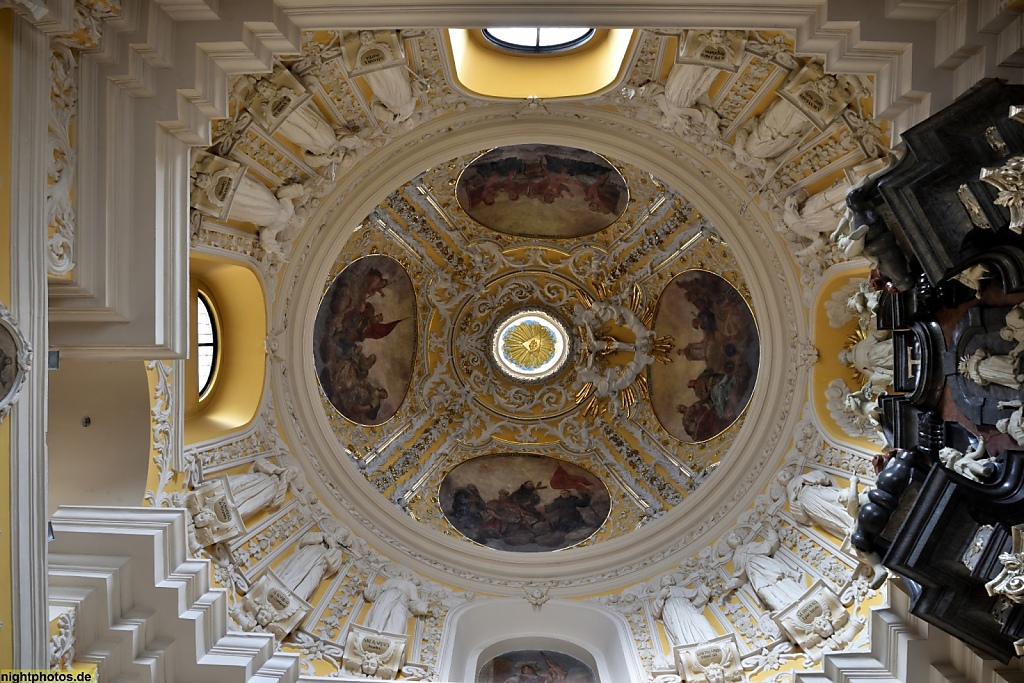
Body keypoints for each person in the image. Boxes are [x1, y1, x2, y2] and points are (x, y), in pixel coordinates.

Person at [724, 528, 806, 611]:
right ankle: (782, 607)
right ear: (729, 545)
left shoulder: (751, 545)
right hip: (756, 576)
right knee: (764, 590)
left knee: (780, 580)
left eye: (736, 535)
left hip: (768, 567)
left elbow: (770, 544)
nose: (735, 537)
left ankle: (797, 596)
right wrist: (728, 586)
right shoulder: (736, 558)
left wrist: (770, 529)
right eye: (732, 538)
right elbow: (740, 577)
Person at [783, 469, 855, 538]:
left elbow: (823, 477)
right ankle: (851, 525)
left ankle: (856, 510)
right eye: (780, 476)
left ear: (791, 473)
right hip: (809, 505)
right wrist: (793, 501)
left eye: (784, 472)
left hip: (816, 490)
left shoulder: (801, 477)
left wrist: (804, 479)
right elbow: (802, 518)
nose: (783, 475)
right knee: (829, 516)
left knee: (836, 500)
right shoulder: (790, 494)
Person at [651, 575, 717, 646]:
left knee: (697, 620)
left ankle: (704, 639)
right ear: (662, 583)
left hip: (687, 608)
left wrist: (704, 584)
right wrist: (661, 596)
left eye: (671, 578)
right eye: (667, 578)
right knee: (679, 627)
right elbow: (655, 612)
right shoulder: (661, 594)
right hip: (673, 612)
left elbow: (696, 593)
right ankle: (686, 644)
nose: (670, 579)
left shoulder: (681, 589)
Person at [362, 576, 428, 635]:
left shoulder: (411, 586)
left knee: (398, 616)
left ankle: (392, 635)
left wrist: (424, 606)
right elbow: (379, 589)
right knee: (380, 615)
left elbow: (414, 601)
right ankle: (373, 632)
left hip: (401, 602)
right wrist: (368, 586)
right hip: (386, 598)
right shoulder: (392, 581)